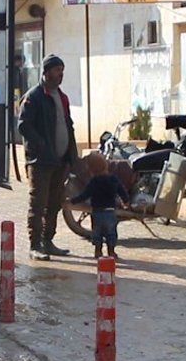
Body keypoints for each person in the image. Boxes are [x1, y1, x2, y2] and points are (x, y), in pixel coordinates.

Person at [18, 54, 77, 261]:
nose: (60, 74)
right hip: (41, 162)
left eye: (62, 70)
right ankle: (35, 245)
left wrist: (72, 155)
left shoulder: (62, 97)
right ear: (46, 72)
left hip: (60, 161)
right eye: (56, 70)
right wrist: (41, 144)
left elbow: (68, 125)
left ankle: (48, 241)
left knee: (54, 203)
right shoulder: (33, 97)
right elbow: (24, 126)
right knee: (38, 203)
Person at [70, 151, 130, 259]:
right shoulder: (113, 179)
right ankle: (111, 251)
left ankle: (98, 251)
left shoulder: (94, 181)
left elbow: (85, 195)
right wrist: (125, 201)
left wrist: (72, 201)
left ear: (91, 169)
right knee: (111, 232)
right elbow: (122, 191)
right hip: (110, 212)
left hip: (97, 212)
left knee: (97, 233)